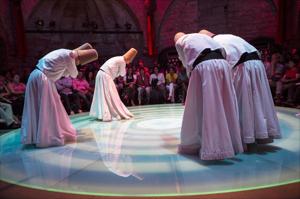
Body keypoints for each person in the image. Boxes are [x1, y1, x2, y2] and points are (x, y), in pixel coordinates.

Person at [199, 30, 281, 145]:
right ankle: (260, 132)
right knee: (258, 100)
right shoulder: (227, 36)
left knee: (242, 102)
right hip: (257, 64)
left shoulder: (214, 44)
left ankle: (245, 136)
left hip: (243, 66)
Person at [174, 32, 243, 160]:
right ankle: (230, 143)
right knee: (224, 103)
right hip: (223, 65)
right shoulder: (202, 37)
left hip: (205, 66)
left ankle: (211, 148)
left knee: (205, 105)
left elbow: (185, 62)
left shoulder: (180, 41)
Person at [21, 43, 98, 147]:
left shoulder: (63, 52)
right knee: (49, 108)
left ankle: (37, 135)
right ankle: (46, 136)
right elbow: (74, 74)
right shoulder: (69, 56)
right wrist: (74, 64)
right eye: (79, 63)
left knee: (44, 107)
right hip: (42, 79)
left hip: (39, 77)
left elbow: (64, 73)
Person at [90, 48, 137, 121]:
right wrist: (124, 69)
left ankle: (102, 113)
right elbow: (122, 73)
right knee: (112, 95)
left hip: (101, 74)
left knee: (104, 95)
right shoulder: (122, 61)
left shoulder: (118, 58)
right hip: (105, 76)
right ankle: (112, 113)